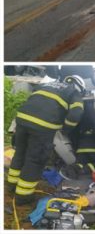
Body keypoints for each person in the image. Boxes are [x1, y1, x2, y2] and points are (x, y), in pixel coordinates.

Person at [7, 76, 86, 205]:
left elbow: (34, 101)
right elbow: (76, 114)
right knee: (34, 160)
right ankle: (23, 197)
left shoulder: (47, 85)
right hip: (42, 126)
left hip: (21, 119)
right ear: (79, 87)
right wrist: (65, 129)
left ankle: (11, 185)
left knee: (20, 152)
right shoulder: (73, 92)